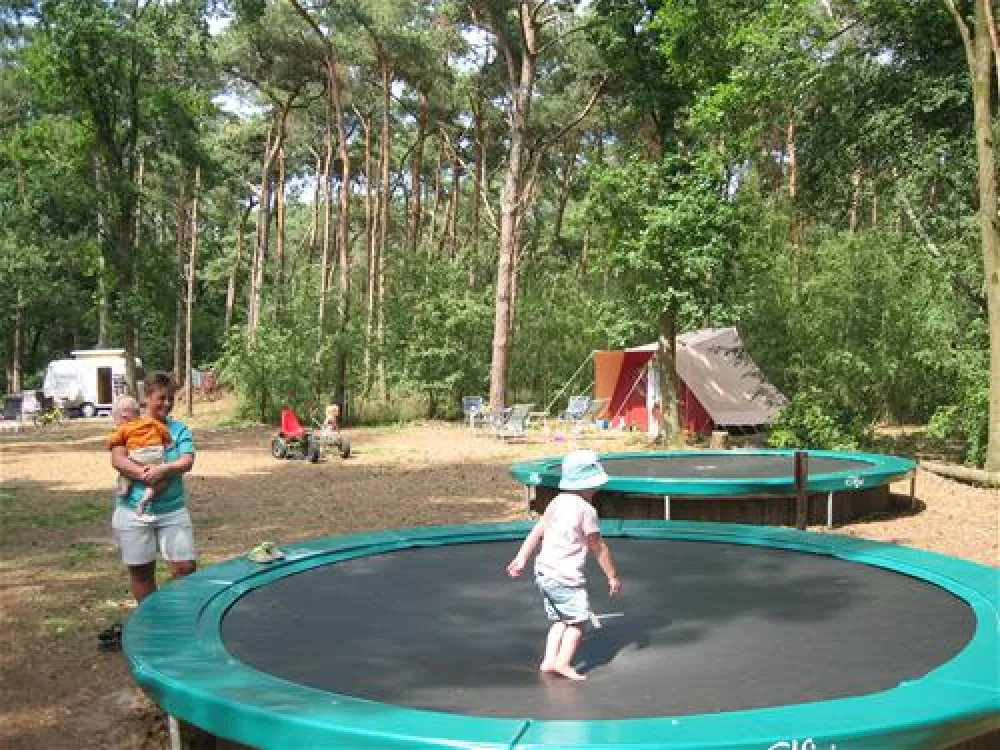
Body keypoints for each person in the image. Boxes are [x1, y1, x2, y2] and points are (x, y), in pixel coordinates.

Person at [506, 449, 621, 680]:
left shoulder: (557, 502)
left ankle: (549, 660)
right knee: (577, 623)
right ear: (591, 484)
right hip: (566, 577)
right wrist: (612, 576)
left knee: (560, 619)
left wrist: (521, 557)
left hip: (544, 573)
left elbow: (537, 531)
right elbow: (598, 546)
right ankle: (563, 662)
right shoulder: (587, 511)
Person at [110, 373, 197, 605]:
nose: (167, 404)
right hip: (132, 512)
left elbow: (187, 461)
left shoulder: (179, 430)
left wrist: (163, 470)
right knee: (141, 573)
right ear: (146, 398)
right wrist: (146, 475)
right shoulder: (129, 426)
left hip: (172, 510)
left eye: (171, 399)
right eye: (161, 398)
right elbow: (118, 459)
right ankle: (151, 623)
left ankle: (182, 617)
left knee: (185, 568)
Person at [107, 395, 173, 523]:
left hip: (137, 455)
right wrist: (168, 441)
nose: (116, 423)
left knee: (126, 470)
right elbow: (163, 430)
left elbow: (114, 440)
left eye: (116, 420)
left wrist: (109, 445)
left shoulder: (124, 428)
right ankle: (145, 499)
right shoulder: (149, 421)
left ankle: (125, 486)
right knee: (162, 481)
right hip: (155, 454)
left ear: (124, 417)